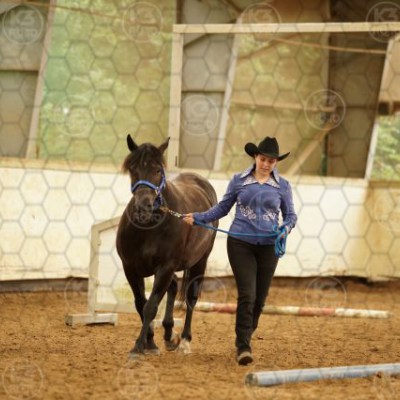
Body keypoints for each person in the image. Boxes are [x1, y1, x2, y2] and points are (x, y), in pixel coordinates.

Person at [183, 136, 297, 366]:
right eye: (263, 159)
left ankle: (245, 334)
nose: (266, 164)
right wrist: (198, 217)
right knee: (248, 294)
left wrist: (285, 228)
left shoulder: (283, 186)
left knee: (260, 300)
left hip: (269, 247)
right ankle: (243, 346)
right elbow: (223, 208)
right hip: (240, 244)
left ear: (276, 162)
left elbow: (291, 216)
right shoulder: (239, 181)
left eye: (271, 161)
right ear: (255, 157)